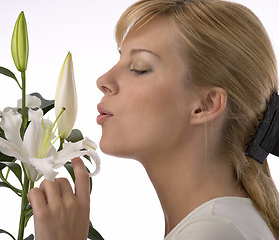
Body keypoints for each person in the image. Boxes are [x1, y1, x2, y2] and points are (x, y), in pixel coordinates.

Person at [27, 0, 279, 239]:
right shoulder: (227, 224)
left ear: (205, 105)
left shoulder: (214, 232)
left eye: (139, 68)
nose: (103, 80)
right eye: (120, 58)